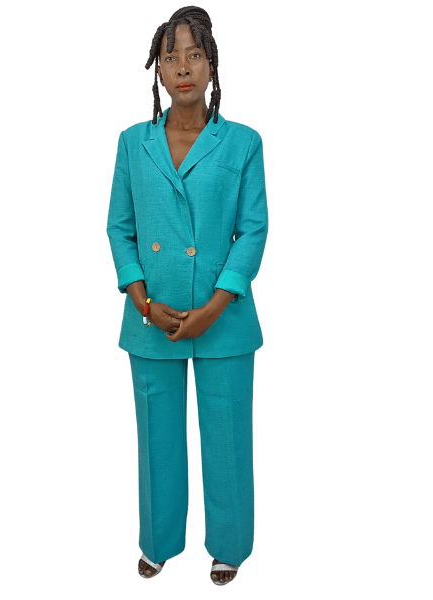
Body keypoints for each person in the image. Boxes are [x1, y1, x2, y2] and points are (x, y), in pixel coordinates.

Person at [106, 6, 268, 586]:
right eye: (170, 56)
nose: (182, 68)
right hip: (152, 317)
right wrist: (142, 300)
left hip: (223, 319)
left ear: (211, 64)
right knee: (157, 438)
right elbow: (119, 227)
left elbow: (253, 229)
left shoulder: (243, 142)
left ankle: (230, 546)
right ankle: (158, 541)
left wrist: (216, 305)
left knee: (228, 437)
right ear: (157, 67)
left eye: (194, 55)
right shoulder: (133, 143)